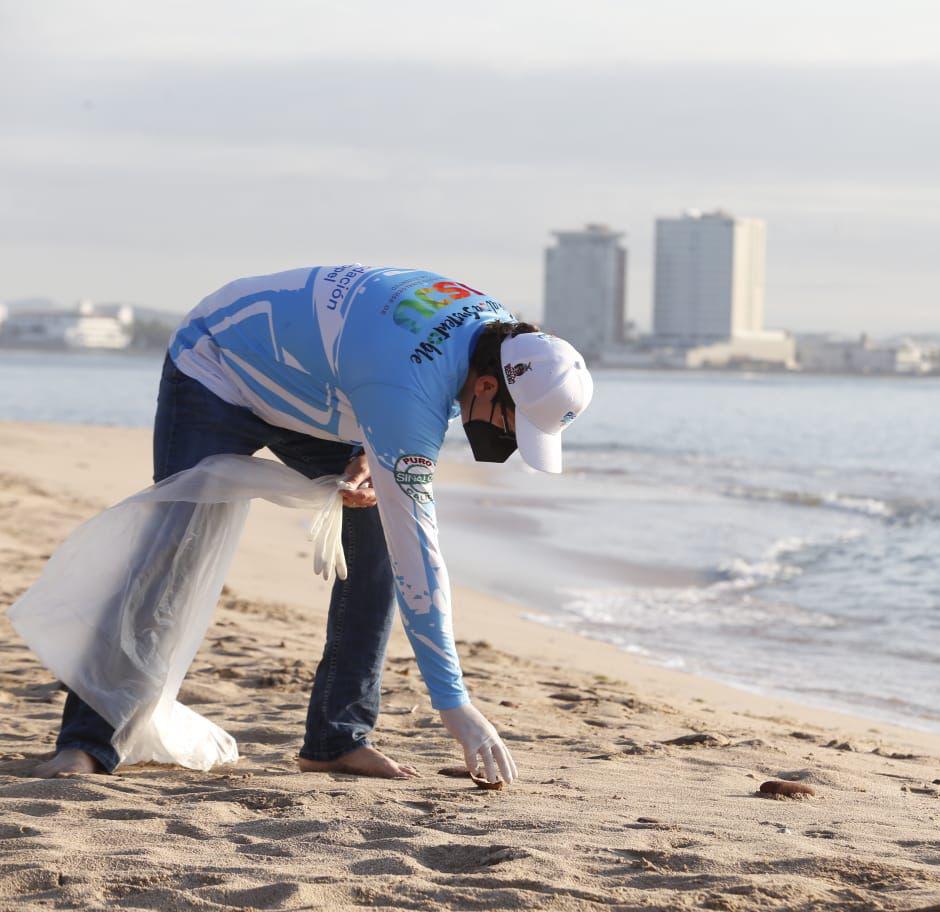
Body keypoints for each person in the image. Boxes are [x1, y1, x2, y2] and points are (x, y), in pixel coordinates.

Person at [32, 263, 593, 785]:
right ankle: (84, 743)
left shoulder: (500, 345)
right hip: (218, 363)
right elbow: (419, 555)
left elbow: (375, 382)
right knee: (171, 553)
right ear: (490, 387)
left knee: (372, 539)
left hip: (322, 386)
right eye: (515, 429)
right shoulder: (414, 384)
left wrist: (373, 453)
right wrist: (455, 704)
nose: (513, 447)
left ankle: (334, 738)